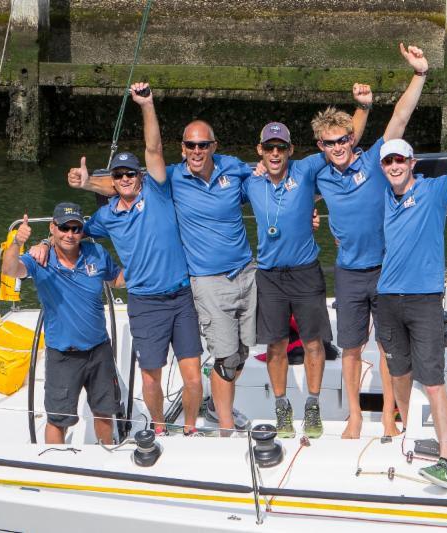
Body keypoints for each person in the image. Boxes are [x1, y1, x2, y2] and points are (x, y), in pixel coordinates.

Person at [71, 85, 368, 437]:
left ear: (214, 146)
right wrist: (92, 182)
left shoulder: (239, 171)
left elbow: (324, 158)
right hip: (208, 282)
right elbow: (131, 179)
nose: (197, 151)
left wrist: (305, 213)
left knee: (243, 352)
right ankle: (226, 428)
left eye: (204, 145)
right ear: (183, 149)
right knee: (229, 358)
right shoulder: (172, 180)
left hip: (247, 273)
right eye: (191, 145)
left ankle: (219, 403)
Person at [63, 83, 205, 436]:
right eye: (119, 175)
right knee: (150, 376)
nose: (125, 179)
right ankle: (158, 428)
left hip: (181, 296)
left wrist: (147, 105)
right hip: (144, 302)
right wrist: (43, 245)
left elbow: (154, 147)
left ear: (140, 176)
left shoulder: (157, 191)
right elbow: (74, 233)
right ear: (112, 180)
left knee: (192, 372)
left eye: (130, 173)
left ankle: (189, 428)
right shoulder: (107, 216)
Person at [312, 43, 429, 439]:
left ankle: (391, 416)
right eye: (330, 143)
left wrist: (419, 75)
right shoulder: (320, 176)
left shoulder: (376, 161)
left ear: (352, 139)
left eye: (343, 139)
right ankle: (355, 417)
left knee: (388, 349)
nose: (338, 147)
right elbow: (281, 186)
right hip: (348, 272)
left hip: (386, 270)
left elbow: (400, 116)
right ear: (321, 148)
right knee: (351, 349)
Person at [376, 102, 447, 489]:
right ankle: (408, 429)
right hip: (387, 299)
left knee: (433, 381)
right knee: (399, 373)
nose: (394, 166)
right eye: (388, 161)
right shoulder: (383, 195)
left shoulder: (435, 191)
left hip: (423, 300)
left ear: (412, 162)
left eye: (400, 160)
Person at [2, 204, 125, 444]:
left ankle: (106, 455)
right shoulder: (39, 259)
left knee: (104, 410)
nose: (69, 234)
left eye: (76, 228)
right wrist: (17, 242)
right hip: (63, 355)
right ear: (52, 228)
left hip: (100, 350)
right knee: (58, 420)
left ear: (82, 230)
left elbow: (117, 279)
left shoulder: (96, 253)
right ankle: (55, 468)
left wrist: (145, 264)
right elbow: (9, 269)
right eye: (63, 228)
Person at [243, 122, 332, 439]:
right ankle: (282, 408)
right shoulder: (249, 181)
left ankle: (312, 404)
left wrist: (362, 107)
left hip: (306, 271)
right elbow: (210, 180)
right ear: (261, 151)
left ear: (291, 150)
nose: (275, 153)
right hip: (269, 277)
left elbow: (344, 144)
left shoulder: (306, 169)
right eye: (270, 148)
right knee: (276, 345)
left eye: (281, 147)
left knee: (313, 343)